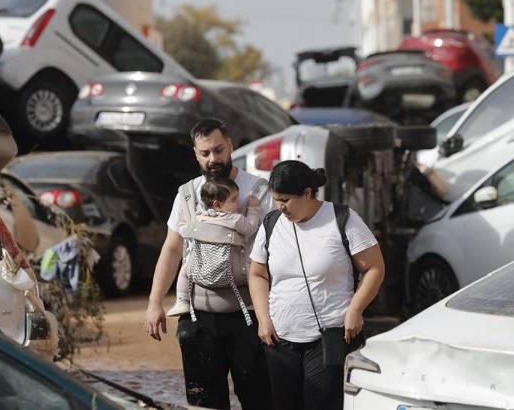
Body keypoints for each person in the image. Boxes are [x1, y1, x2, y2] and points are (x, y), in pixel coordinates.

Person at [145, 118, 274, 410]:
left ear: (230, 146)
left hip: (250, 314)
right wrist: (155, 303)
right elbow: (172, 248)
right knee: (203, 402)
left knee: (260, 399)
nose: (213, 159)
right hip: (198, 316)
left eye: (218, 150)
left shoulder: (259, 192)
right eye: (205, 153)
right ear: (195, 153)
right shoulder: (187, 194)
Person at [249, 160, 385, 410]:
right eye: (276, 200)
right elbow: (257, 273)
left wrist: (356, 309)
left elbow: (374, 267)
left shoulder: (342, 218)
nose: (280, 207)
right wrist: (263, 319)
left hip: (328, 338)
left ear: (308, 193)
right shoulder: (272, 223)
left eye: (286, 200)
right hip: (280, 339)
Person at [167, 175, 261, 318]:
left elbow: (185, 231)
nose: (238, 204)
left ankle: (182, 299)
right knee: (251, 270)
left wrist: (181, 224)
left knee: (185, 268)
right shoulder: (235, 219)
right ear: (217, 204)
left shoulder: (199, 218)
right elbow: (251, 227)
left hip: (202, 267)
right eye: (234, 200)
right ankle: (254, 300)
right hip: (231, 268)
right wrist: (254, 209)